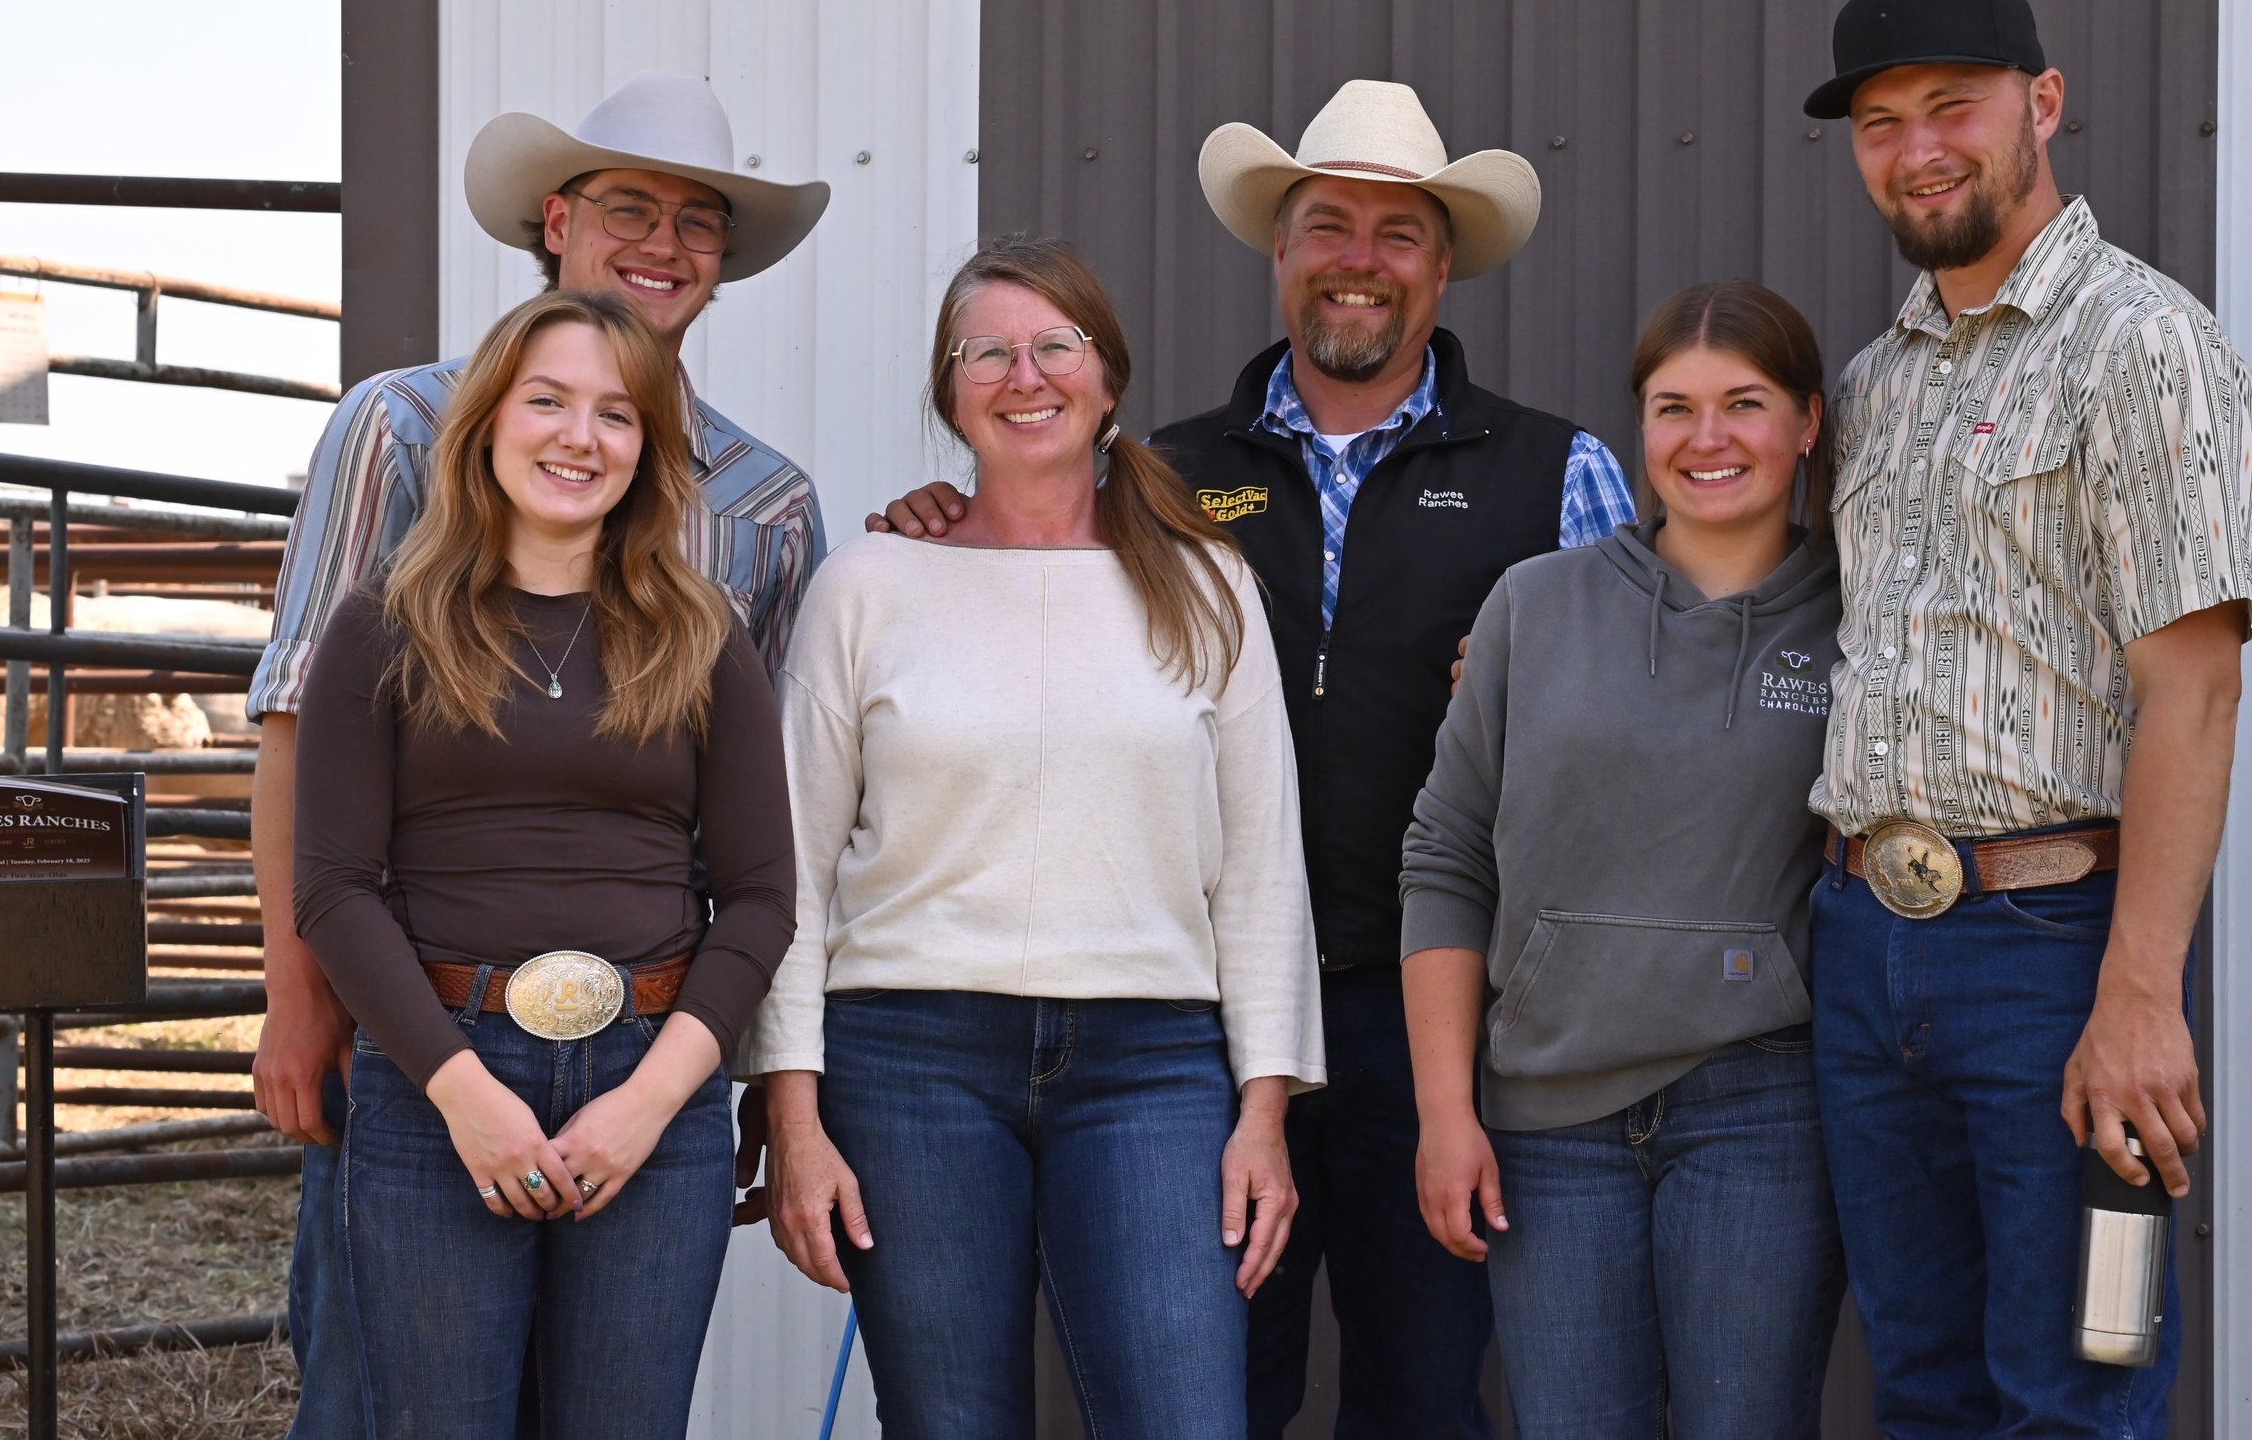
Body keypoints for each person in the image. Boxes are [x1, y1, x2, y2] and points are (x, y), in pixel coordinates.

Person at [864, 80, 1633, 1438]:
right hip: (1201, 1017)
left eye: (1397, 233)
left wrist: (1542, 697)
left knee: (1421, 1394)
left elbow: (1637, 722)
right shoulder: (1153, 475)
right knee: (1212, 1389)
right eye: (1326, 224)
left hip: (1444, 1013)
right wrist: (941, 516)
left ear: (1444, 265)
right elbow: (1020, 567)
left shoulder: (1556, 470)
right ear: (1278, 252)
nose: (1358, 257)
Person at [249, 71, 828, 1436]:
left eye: (701, 222)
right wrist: (301, 997)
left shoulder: (767, 507)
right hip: (423, 1018)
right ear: (557, 218)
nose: (666, 243)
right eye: (631, 205)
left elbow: (764, 831)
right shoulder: (397, 426)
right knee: (375, 1397)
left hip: (649, 1039)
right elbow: (297, 727)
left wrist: (714, 1070)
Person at [1801, 0, 2252, 1436]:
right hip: (1864, 942)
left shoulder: (2142, 344)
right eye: (1882, 121)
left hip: (2057, 951)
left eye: (1953, 106)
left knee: (2079, 1386)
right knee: (1926, 1391)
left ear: (2044, 104)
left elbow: (2193, 689)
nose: (1919, 147)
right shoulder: (1877, 382)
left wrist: (2140, 992)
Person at [738, 235, 1324, 1438]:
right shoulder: (869, 585)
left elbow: (1263, 869)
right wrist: (793, 1120)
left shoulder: (1209, 585)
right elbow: (786, 869)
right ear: (949, 393)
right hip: (909, 1057)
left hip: (1156, 1062)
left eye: (1054, 345)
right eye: (987, 352)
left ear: (1108, 378)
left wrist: (1262, 1112)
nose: (1024, 374)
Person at [1400, 281, 1845, 1438]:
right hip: (1548, 1120)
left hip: (1761, 1106)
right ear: (1638, 428)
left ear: (1805, 422)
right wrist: (1446, 1112)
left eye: (1743, 404)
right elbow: (1446, 855)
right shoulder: (1532, 607)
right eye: (1673, 407)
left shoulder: (1862, 626)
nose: (1707, 440)